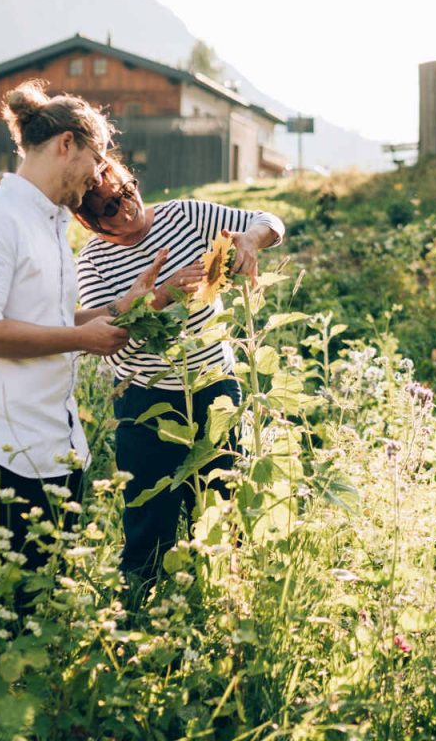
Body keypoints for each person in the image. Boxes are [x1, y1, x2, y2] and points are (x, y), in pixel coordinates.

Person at [0, 80, 127, 586]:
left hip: (54, 443)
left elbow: (54, 323)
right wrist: (84, 340)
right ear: (67, 144)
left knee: (40, 607)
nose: (100, 176)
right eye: (97, 158)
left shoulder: (49, 223)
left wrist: (122, 309)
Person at [72, 156, 285, 591]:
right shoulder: (92, 261)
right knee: (149, 516)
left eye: (126, 191)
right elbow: (102, 334)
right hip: (145, 400)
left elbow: (271, 222)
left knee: (224, 505)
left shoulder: (185, 216)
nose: (127, 207)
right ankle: (141, 610)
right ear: (89, 220)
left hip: (213, 386)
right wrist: (161, 297)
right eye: (110, 207)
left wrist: (248, 239)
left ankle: (225, 597)